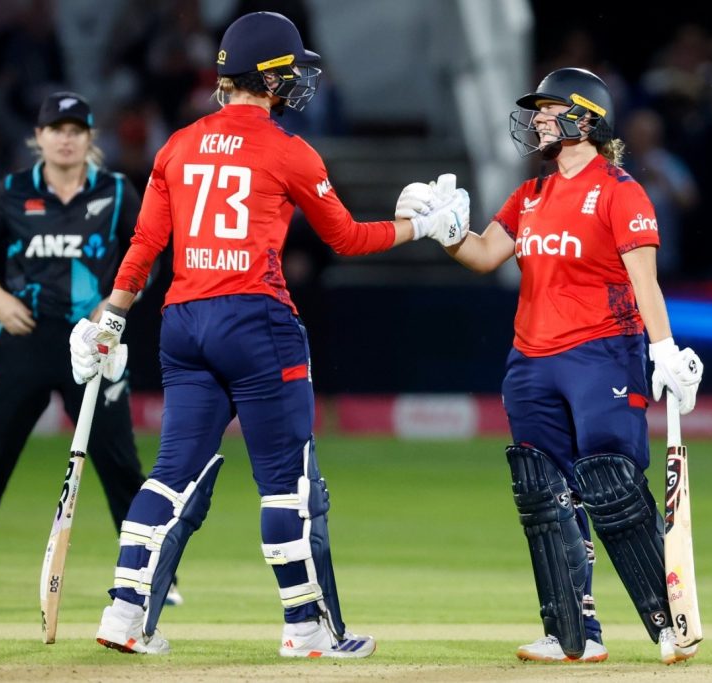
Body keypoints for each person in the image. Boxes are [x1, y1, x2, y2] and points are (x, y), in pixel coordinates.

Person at [68, 11, 469, 657]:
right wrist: (425, 226)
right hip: (256, 321)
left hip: (183, 321)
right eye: (289, 70)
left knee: (170, 474)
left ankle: (122, 612)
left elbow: (146, 244)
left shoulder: (177, 144)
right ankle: (304, 627)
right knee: (287, 483)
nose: (298, 81)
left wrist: (109, 317)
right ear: (268, 76)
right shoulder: (289, 148)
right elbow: (345, 238)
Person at [427, 67, 704, 664]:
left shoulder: (620, 190)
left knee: (612, 486)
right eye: (538, 111)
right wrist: (446, 231)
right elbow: (483, 254)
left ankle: (669, 623)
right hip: (530, 360)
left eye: (550, 109)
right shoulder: (529, 195)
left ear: (586, 117)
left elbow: (645, 283)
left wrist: (663, 349)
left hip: (603, 351)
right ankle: (572, 635)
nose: (538, 120)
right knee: (542, 493)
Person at [0, 91, 186, 607]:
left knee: (120, 464)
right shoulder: (13, 191)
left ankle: (154, 576)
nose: (65, 137)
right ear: (38, 138)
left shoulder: (116, 191)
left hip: (94, 344)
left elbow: (151, 253)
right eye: (55, 129)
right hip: (24, 340)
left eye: (75, 129)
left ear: (89, 139)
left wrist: (115, 305)